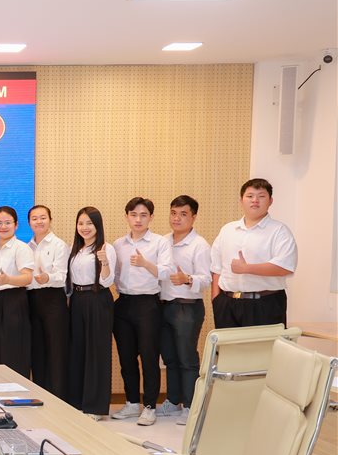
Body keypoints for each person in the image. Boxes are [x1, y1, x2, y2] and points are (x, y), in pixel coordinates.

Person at [110, 197, 172, 426]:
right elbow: (115, 275)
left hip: (149, 305)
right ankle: (132, 402)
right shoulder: (118, 244)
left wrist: (145, 263)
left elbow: (166, 272)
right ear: (127, 216)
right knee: (126, 358)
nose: (138, 219)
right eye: (134, 215)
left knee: (149, 357)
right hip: (124, 303)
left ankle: (150, 406)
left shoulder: (159, 242)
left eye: (143, 215)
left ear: (151, 217)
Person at [210, 178, 298, 329]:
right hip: (227, 304)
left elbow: (285, 267)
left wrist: (247, 268)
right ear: (241, 200)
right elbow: (216, 268)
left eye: (261, 196)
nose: (255, 200)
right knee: (229, 345)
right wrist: (216, 299)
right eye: (250, 196)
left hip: (265, 304)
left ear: (270, 201)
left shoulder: (279, 231)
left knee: (264, 345)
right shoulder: (227, 230)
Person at [159, 196, 211, 426]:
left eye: (183, 214)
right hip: (164, 305)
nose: (177, 218)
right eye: (173, 213)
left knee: (186, 357)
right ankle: (173, 401)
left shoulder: (199, 245)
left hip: (187, 307)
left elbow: (206, 279)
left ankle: (190, 405)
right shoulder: (163, 241)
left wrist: (187, 278)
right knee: (169, 357)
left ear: (193, 217)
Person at [66, 207, 116, 418]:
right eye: (81, 223)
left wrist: (104, 261)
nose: (84, 227)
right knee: (78, 350)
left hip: (97, 299)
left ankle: (95, 407)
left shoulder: (105, 248)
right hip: (77, 300)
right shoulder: (76, 249)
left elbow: (107, 280)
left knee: (97, 352)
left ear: (98, 225)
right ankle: (78, 402)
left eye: (89, 223)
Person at [0, 206, 34, 376]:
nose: (3, 226)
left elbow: (27, 278)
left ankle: (16, 388)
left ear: (16, 225)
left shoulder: (21, 248)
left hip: (13, 299)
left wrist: (8, 280)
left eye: (7, 222)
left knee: (13, 349)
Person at [27, 204, 69, 400]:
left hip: (53, 299)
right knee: (37, 350)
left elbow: (62, 277)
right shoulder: (26, 246)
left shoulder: (59, 245)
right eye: (34, 218)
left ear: (50, 220)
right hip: (32, 300)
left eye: (43, 217)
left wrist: (47, 278)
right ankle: (40, 395)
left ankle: (58, 397)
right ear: (29, 223)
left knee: (56, 350)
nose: (39, 222)